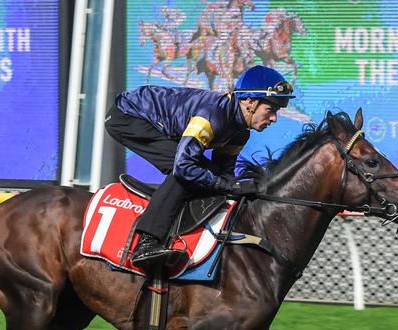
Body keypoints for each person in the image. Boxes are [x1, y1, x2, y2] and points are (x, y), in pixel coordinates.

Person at [104, 65, 295, 270]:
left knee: (209, 176)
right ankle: (146, 243)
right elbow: (184, 167)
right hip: (127, 117)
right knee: (187, 173)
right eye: (271, 110)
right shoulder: (212, 116)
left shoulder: (240, 132)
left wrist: (239, 187)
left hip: (151, 121)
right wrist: (229, 185)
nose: (274, 118)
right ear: (250, 102)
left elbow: (224, 174)